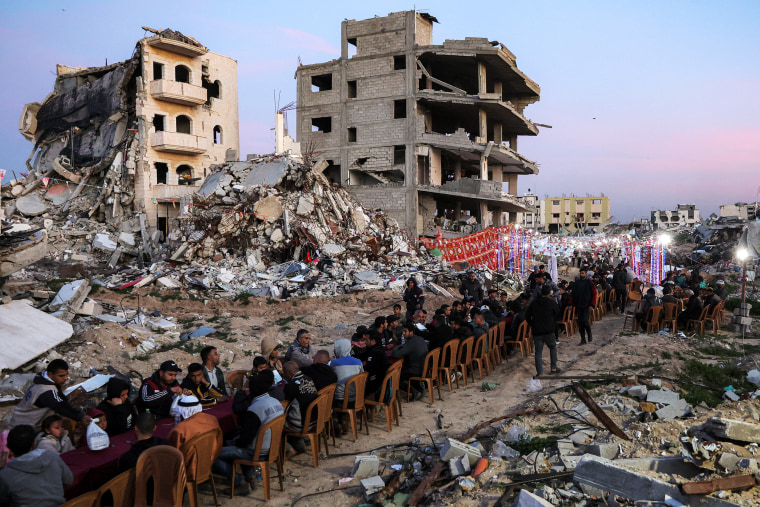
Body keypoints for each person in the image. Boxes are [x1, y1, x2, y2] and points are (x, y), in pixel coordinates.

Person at [213, 372, 284, 494]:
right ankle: (250, 475)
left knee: (213, 455)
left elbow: (244, 440)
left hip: (258, 452)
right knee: (237, 445)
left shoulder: (255, 409)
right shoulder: (276, 402)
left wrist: (232, 442)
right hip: (274, 447)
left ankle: (239, 483)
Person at [0, 424, 73, 506]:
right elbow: (69, 480)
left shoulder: (5, 475)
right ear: (33, 444)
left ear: (9, 449)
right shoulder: (52, 457)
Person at [9, 359, 89, 432]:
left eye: (66, 375)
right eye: (61, 376)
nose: (65, 378)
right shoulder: (47, 392)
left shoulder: (41, 378)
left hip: (18, 418)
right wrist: (80, 417)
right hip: (25, 427)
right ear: (50, 374)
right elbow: (60, 406)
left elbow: (60, 399)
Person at [168, 395, 223, 482]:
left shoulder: (180, 430)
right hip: (209, 461)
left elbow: (173, 455)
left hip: (189, 470)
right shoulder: (212, 419)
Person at [282, 361, 318, 456]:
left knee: (277, 424)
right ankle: (301, 441)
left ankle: (292, 448)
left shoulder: (291, 385)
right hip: (314, 421)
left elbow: (286, 404)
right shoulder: (309, 379)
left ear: (288, 372)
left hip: (301, 424)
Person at [526, 285, 561, 377]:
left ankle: (540, 373)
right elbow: (557, 314)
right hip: (549, 330)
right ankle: (553, 368)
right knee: (552, 347)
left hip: (537, 331)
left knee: (538, 352)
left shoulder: (534, 303)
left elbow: (527, 316)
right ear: (550, 293)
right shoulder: (552, 302)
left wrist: (532, 324)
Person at [392, 322, 428, 401]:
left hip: (415, 370)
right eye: (403, 331)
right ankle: (419, 388)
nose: (403, 333)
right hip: (424, 368)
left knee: (395, 377)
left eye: (405, 331)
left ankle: (414, 391)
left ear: (411, 332)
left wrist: (396, 347)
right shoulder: (420, 339)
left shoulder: (410, 343)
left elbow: (396, 354)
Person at [331, 339, 364, 409]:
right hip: (355, 398)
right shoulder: (358, 362)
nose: (334, 351)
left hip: (340, 399)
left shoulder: (334, 363)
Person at [363, 331, 390, 398]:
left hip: (378, 385)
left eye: (366, 340)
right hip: (382, 381)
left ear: (373, 341)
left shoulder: (374, 353)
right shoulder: (380, 349)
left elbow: (369, 370)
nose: (365, 342)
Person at [573, 268, 596, 345]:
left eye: (583, 273)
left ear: (586, 274)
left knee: (585, 320)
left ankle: (589, 333)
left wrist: (592, 305)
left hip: (587, 305)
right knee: (580, 323)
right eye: (581, 273)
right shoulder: (577, 283)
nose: (582, 274)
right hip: (579, 305)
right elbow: (573, 294)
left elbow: (594, 294)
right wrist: (571, 303)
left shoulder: (590, 283)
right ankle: (583, 339)